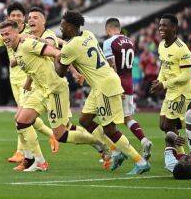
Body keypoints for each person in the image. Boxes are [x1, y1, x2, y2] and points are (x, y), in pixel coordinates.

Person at [0, 18, 109, 172]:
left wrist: (74, 72)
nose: (4, 38)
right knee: (21, 121)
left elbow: (57, 53)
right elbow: (34, 65)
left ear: (17, 31)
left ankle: (100, 143)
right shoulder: (16, 48)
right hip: (41, 90)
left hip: (55, 90)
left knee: (61, 135)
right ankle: (39, 161)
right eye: (2, 35)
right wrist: (29, 83)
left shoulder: (28, 44)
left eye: (7, 34)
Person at [55, 11, 150, 174]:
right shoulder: (89, 34)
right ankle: (116, 151)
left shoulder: (71, 47)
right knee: (85, 120)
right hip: (101, 84)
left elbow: (60, 72)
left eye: (62, 25)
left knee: (110, 129)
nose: (60, 27)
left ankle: (140, 161)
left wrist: (57, 57)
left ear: (70, 26)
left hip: (104, 86)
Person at [0, 2, 58, 163]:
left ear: (24, 18)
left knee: (21, 117)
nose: (16, 18)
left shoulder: (30, 32)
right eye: (13, 15)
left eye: (19, 15)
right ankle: (51, 136)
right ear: (8, 17)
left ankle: (23, 153)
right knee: (24, 117)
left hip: (29, 78)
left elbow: (50, 42)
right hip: (14, 79)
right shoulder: (5, 32)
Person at [103, 17, 153, 160]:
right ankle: (144, 141)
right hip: (129, 82)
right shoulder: (130, 42)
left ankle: (117, 152)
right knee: (128, 118)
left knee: (108, 121)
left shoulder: (108, 42)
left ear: (108, 29)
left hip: (117, 83)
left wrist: (117, 86)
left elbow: (112, 65)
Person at [151, 14, 191, 154]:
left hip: (182, 91)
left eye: (164, 25)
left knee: (169, 126)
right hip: (171, 90)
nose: (161, 28)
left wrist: (164, 85)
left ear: (174, 28)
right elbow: (164, 67)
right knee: (163, 125)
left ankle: (181, 156)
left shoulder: (182, 48)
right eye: (160, 25)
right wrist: (159, 80)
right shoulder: (161, 46)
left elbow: (187, 76)